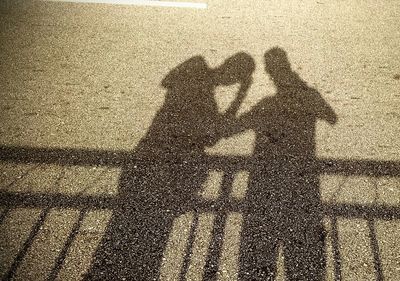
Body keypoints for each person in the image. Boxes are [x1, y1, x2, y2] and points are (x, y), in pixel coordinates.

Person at [86, 53, 255, 280]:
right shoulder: (197, 68)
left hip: (165, 171)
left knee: (139, 242)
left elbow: (211, 135)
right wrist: (230, 96)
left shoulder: (202, 82)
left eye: (237, 80)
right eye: (236, 76)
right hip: (156, 167)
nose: (231, 81)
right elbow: (171, 86)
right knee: (130, 236)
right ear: (230, 67)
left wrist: (238, 97)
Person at [235, 47, 337, 280]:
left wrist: (242, 92)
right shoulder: (308, 96)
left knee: (261, 256)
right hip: (302, 187)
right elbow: (331, 117)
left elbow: (229, 129)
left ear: (270, 73)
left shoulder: (265, 106)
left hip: (265, 189)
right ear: (288, 68)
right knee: (302, 260)